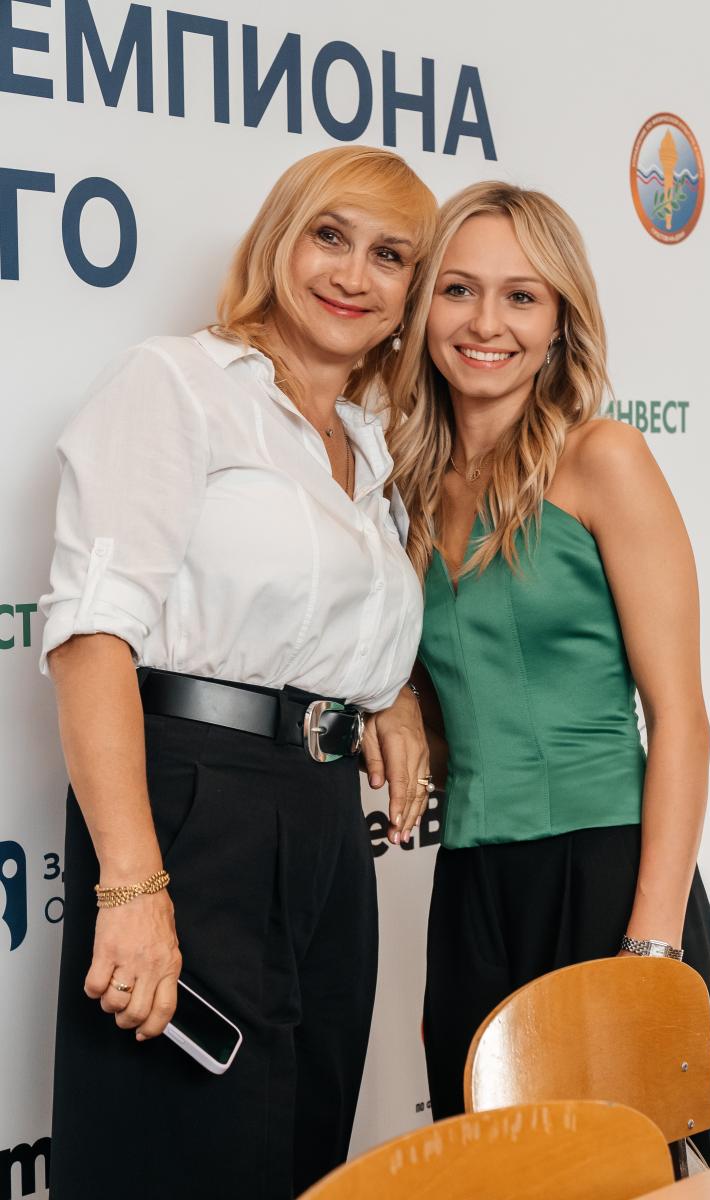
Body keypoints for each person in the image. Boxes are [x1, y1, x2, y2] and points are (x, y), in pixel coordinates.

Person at [40, 145, 437, 1200]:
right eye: (329, 236)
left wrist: (390, 692)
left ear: (410, 291)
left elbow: (321, 616)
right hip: (192, 806)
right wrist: (133, 884)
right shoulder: (176, 383)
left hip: (324, 823)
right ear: (277, 242)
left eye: (389, 255)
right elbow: (91, 639)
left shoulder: (368, 446)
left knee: (300, 1157)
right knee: (180, 1154)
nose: (353, 274)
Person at [389, 182, 710, 1166]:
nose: (484, 323)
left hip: (610, 875)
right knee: (493, 1174)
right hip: (470, 885)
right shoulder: (403, 487)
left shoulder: (601, 458)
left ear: (559, 323)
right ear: (423, 308)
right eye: (457, 290)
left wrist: (651, 948)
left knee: (631, 1175)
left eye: (521, 296)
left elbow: (680, 716)